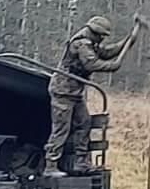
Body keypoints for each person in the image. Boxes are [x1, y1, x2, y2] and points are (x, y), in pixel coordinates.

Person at [46, 14, 143, 175]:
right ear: (96, 32)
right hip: (63, 91)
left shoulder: (91, 43)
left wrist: (127, 42)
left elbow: (105, 53)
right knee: (61, 129)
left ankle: (81, 162)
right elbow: (91, 63)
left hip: (75, 92)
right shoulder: (81, 43)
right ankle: (51, 165)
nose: (103, 39)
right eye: (102, 36)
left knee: (84, 123)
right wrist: (111, 66)